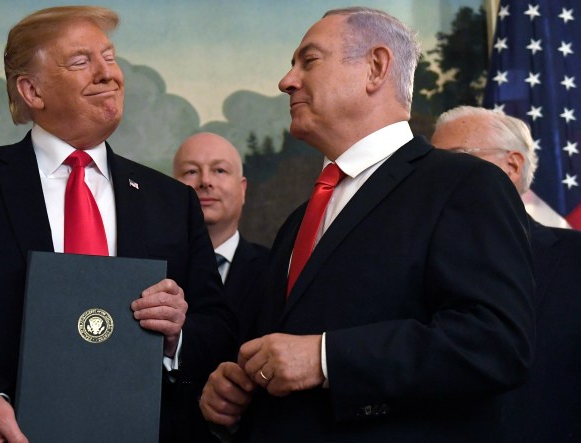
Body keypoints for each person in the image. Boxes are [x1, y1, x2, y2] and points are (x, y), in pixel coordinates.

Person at [0, 6, 235, 443]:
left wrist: (177, 336)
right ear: (31, 90)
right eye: (82, 62)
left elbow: (216, 327)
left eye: (110, 57)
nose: (108, 74)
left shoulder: (171, 200)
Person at [199, 7, 533, 442]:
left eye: (309, 60)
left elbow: (495, 344)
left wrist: (326, 359)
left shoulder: (465, 184)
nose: (287, 81)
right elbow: (282, 358)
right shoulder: (299, 221)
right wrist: (238, 389)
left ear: (376, 68)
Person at [432, 105, 581, 443]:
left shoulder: (575, 260)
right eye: (430, 164)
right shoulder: (410, 260)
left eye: (454, 158)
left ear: (511, 166)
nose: (434, 176)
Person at [173, 133, 270, 343]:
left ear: (242, 189)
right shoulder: (154, 269)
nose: (205, 181)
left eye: (219, 170)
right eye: (191, 171)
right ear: (172, 189)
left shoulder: (275, 270)